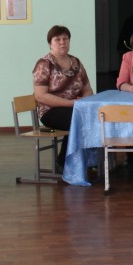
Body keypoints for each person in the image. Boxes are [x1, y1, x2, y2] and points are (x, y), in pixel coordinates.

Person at [33, 25, 93, 169]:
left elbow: (88, 90)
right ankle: (64, 162)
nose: (62, 42)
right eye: (57, 39)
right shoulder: (44, 64)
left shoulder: (76, 62)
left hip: (74, 108)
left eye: (65, 39)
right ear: (50, 43)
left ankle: (91, 161)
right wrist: (71, 103)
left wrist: (83, 101)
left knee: (95, 116)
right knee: (77, 119)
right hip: (50, 111)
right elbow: (40, 96)